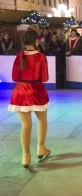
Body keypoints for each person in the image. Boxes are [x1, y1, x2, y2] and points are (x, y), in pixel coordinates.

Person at [7, 29, 51, 168]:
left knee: (26, 125)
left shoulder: (19, 56)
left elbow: (15, 77)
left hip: (21, 92)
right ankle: (41, 147)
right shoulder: (41, 56)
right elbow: (45, 78)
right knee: (42, 121)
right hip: (37, 92)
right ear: (36, 41)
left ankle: (26, 155)